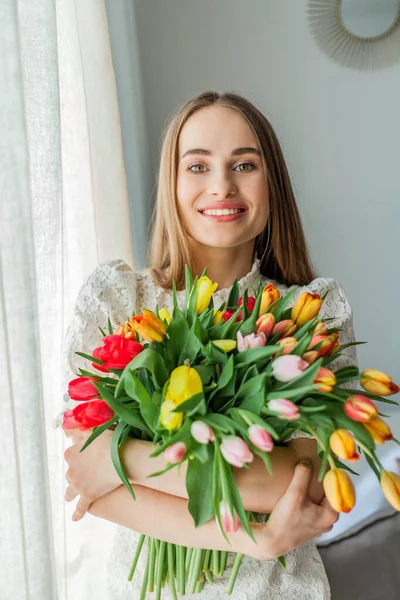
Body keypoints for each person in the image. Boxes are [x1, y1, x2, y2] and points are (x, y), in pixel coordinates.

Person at [63, 91, 358, 599]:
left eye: (244, 164)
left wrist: (124, 458)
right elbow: (94, 488)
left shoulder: (313, 311)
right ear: (172, 183)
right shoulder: (116, 298)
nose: (222, 184)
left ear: (273, 185)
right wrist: (258, 537)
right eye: (197, 166)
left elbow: (296, 483)